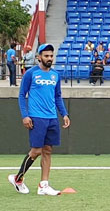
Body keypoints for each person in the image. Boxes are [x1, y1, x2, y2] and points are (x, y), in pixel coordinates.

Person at [9, 44, 70, 196]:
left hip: (52, 118)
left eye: (51, 56)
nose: (49, 58)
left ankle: (44, 185)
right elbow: (22, 95)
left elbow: (57, 96)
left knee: (48, 151)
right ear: (39, 57)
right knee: (36, 151)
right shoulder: (31, 74)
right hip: (36, 117)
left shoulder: (55, 75)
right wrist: (25, 115)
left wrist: (64, 114)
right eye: (46, 56)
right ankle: (18, 179)